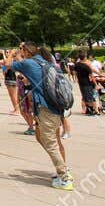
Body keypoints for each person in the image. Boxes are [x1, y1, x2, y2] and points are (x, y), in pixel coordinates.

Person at [12, 42, 74, 190]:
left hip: (45, 108)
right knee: (44, 138)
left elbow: (8, 64)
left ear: (26, 51)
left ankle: (65, 177)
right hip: (54, 106)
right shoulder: (47, 63)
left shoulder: (28, 63)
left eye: (22, 49)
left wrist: (12, 54)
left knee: (51, 143)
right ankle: (63, 168)